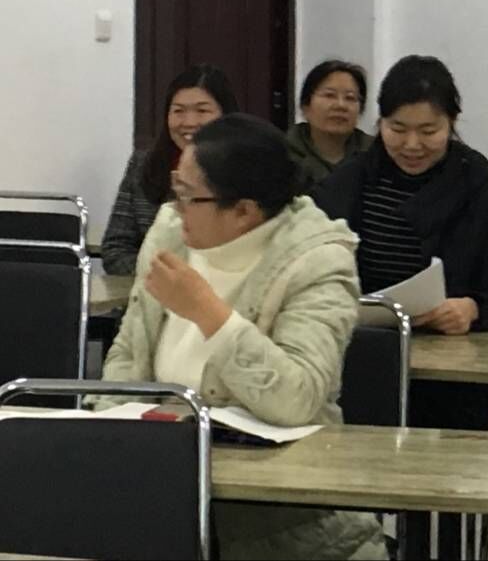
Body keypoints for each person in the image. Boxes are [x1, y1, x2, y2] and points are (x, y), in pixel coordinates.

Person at [97, 113, 386, 559]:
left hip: (284, 524)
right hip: (159, 491)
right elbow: (127, 353)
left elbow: (297, 398)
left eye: (188, 195)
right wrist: (109, 434)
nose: (175, 206)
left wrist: (209, 314)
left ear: (243, 211)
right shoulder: (170, 234)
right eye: (176, 189)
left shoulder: (319, 260)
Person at [313, 54, 488, 428]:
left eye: (429, 131)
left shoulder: (481, 193)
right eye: (397, 129)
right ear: (379, 123)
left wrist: (473, 309)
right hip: (355, 365)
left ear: (452, 123)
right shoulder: (347, 184)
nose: (412, 145)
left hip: (449, 380)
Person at [101, 64, 238, 276]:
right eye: (178, 111)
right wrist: (163, 278)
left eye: (202, 111)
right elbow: (116, 249)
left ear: (225, 115)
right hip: (150, 288)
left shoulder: (245, 169)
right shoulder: (143, 164)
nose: (189, 122)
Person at [288, 59, 374, 189]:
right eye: (329, 95)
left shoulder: (375, 154)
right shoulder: (283, 154)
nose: (341, 105)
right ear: (305, 106)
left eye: (350, 98)